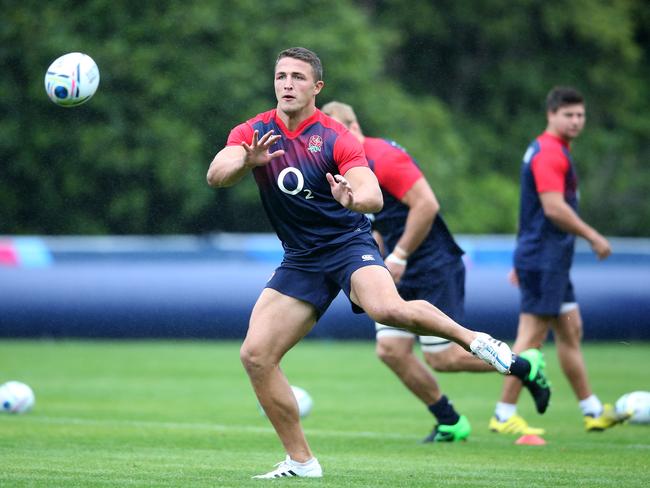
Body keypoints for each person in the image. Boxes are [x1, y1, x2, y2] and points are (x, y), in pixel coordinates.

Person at [207, 47, 540, 479]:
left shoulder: (334, 137)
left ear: (316, 87)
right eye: (281, 76)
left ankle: (477, 341)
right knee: (255, 356)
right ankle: (301, 463)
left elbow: (373, 195)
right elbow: (217, 173)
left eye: (298, 77)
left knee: (387, 310)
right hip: (302, 259)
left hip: (348, 245)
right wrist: (245, 161)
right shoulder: (255, 131)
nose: (287, 84)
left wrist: (352, 197)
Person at [322, 101, 550, 443]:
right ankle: (449, 421)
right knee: (391, 351)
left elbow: (427, 204)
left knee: (443, 358)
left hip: (432, 264)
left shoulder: (383, 156)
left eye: (331, 133)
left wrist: (399, 256)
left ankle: (524, 363)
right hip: (397, 268)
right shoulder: (350, 168)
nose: (327, 143)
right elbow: (382, 222)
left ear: (351, 128)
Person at [490, 86, 629, 435]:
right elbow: (552, 208)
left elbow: (531, 211)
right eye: (568, 115)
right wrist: (593, 236)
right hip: (544, 259)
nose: (576, 121)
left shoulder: (551, 150)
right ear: (551, 114)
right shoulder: (550, 153)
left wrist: (520, 257)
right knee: (531, 338)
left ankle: (592, 409)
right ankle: (504, 413)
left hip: (545, 258)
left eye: (580, 115)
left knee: (571, 330)